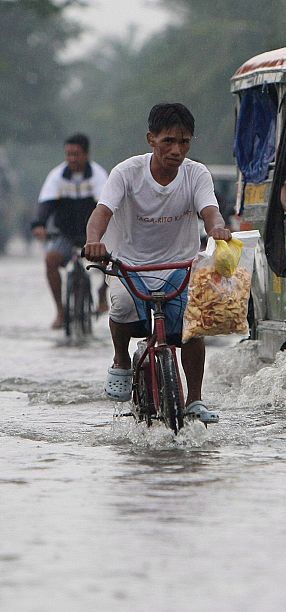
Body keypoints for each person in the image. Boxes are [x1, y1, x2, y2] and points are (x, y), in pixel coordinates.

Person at [83, 103, 230, 424]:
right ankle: (121, 359)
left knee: (192, 326)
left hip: (180, 267)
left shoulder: (196, 173)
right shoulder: (126, 173)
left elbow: (211, 212)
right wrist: (94, 241)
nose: (176, 150)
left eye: (184, 142)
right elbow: (101, 213)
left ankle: (194, 399)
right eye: (168, 141)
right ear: (151, 139)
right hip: (128, 264)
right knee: (122, 305)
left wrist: (217, 229)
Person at [31, 133, 109, 328]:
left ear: (86, 154)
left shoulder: (98, 176)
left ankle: (102, 293)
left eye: (76, 154)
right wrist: (39, 224)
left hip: (93, 235)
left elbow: (105, 207)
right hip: (64, 233)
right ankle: (60, 311)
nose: (72, 159)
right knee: (50, 260)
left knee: (113, 260)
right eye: (68, 154)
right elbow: (45, 205)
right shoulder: (56, 176)